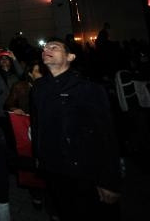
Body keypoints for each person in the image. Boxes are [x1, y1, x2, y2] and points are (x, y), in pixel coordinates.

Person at [31, 38, 121, 220]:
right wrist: (39, 158)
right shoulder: (38, 89)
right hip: (54, 171)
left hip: (84, 173)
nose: (47, 49)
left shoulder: (89, 89)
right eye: (45, 47)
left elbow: (107, 136)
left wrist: (109, 181)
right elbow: (37, 127)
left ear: (70, 56)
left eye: (54, 47)